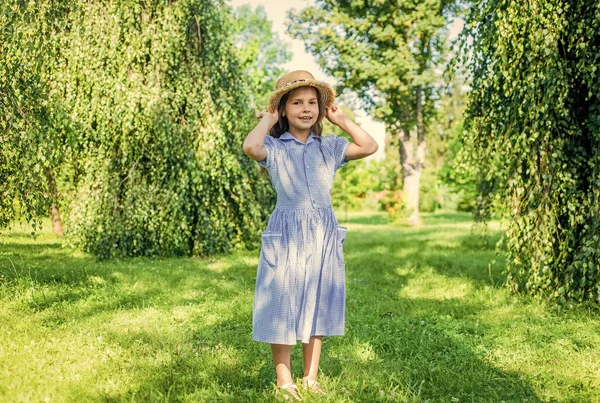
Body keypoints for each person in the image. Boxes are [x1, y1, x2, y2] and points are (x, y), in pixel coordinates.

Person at [243, 70, 378, 401]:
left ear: (321, 108)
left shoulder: (329, 148)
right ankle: (284, 380)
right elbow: (251, 146)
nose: (306, 109)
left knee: (318, 302)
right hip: (286, 234)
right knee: (282, 303)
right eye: (296, 102)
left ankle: (310, 377)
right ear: (283, 110)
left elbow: (369, 145)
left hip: (322, 234)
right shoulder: (274, 147)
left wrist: (341, 118)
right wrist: (268, 117)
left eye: (313, 103)